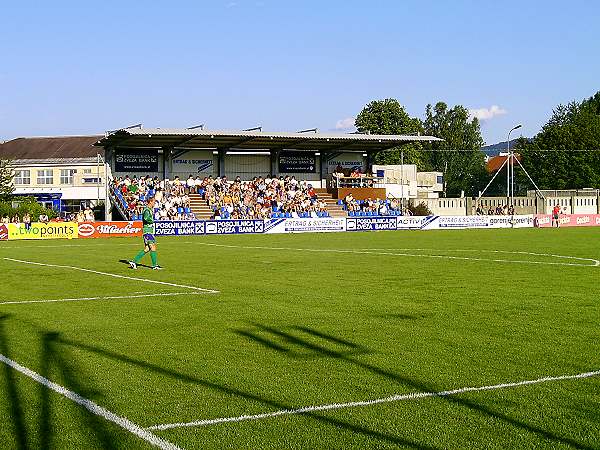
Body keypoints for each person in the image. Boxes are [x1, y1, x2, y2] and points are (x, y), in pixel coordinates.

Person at [129, 196, 162, 270]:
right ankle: (154, 266)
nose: (154, 203)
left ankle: (134, 262)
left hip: (148, 231)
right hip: (147, 231)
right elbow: (146, 218)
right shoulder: (147, 210)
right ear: (150, 201)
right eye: (154, 202)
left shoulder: (149, 209)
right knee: (153, 247)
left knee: (147, 248)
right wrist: (152, 220)